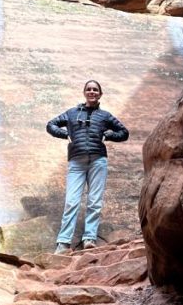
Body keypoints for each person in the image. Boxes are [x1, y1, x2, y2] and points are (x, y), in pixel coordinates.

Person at [46, 80, 129, 253]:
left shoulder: (105, 116)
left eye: (95, 90)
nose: (92, 92)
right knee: (71, 202)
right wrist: (65, 134)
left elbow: (124, 133)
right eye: (89, 89)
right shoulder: (71, 113)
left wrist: (110, 135)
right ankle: (63, 243)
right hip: (76, 161)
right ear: (84, 92)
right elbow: (50, 125)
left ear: (100, 94)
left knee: (94, 201)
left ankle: (89, 238)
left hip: (98, 161)